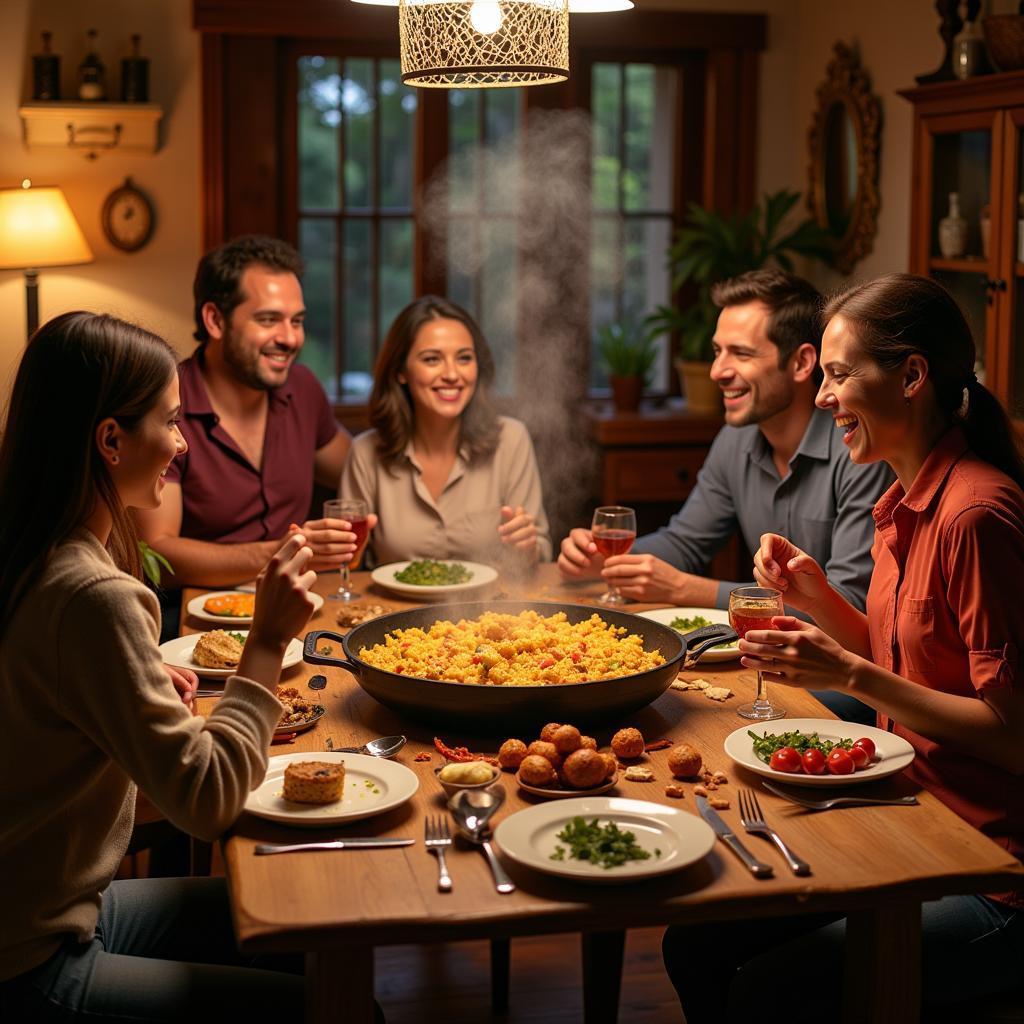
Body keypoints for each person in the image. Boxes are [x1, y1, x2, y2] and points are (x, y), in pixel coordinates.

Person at [662, 274, 1024, 1022]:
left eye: (837, 374)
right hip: (918, 818)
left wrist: (850, 671)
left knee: (769, 991)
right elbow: (904, 661)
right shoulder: (902, 495)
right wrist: (817, 599)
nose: (824, 398)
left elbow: (1013, 738)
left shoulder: (975, 514)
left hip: (994, 874)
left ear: (912, 376)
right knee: (691, 945)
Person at [0, 312, 322, 1020]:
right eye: (170, 423)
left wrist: (133, 686)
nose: (180, 444)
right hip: (31, 961)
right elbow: (208, 804)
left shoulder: (34, 554)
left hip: (54, 909)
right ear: (111, 440)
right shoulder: (91, 593)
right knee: (339, 1007)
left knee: (301, 907)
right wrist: (265, 641)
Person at [558, 269, 892, 722]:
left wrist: (690, 589)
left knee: (683, 706)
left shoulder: (860, 449)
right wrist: (606, 557)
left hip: (844, 684)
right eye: (718, 352)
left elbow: (846, 610)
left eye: (740, 353)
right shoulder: (736, 439)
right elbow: (686, 542)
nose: (717, 371)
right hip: (764, 664)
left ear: (801, 363)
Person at [135, 235, 363, 599]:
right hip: (197, 619)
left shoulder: (303, 389)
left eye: (297, 320)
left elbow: (364, 471)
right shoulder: (165, 403)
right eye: (269, 319)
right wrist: (281, 551)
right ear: (214, 320)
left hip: (303, 602)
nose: (290, 338)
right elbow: (157, 553)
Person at [340, 295, 552, 568]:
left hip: (491, 607)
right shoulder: (365, 452)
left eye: (464, 358)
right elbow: (350, 564)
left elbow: (542, 552)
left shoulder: (511, 440)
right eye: (432, 359)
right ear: (400, 372)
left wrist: (528, 546)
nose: (452, 374)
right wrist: (337, 551)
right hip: (396, 608)